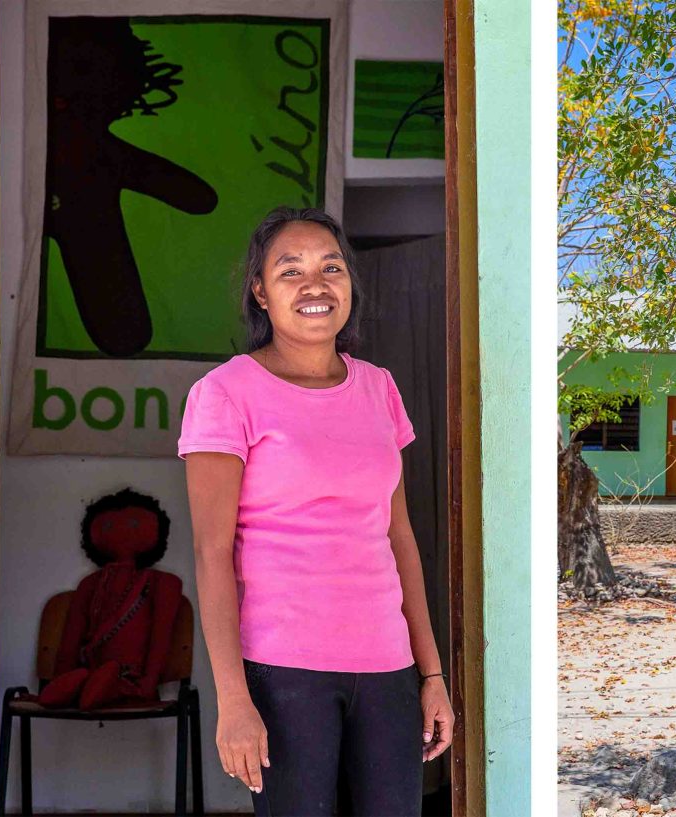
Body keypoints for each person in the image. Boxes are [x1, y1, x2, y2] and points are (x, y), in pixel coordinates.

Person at [178, 206, 453, 816]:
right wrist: (233, 699)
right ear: (260, 291)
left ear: (349, 283)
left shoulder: (379, 387)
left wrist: (430, 675)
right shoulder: (224, 394)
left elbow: (399, 537)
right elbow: (211, 553)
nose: (315, 285)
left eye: (331, 267)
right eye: (290, 270)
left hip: (388, 667)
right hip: (284, 673)